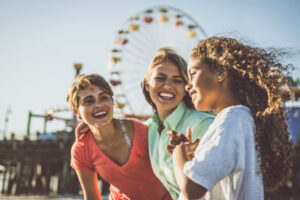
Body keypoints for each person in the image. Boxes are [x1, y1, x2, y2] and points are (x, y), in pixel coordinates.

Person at [168, 37, 294, 200]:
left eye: (192, 74)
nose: (187, 85)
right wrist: (192, 156)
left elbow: (191, 188)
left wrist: (179, 153)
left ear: (220, 73)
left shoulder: (233, 118)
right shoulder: (238, 120)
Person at [66, 74, 172, 200]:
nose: (98, 105)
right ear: (76, 111)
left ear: (112, 101)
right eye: (89, 101)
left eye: (104, 97)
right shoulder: (81, 149)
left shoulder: (142, 133)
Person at [141, 48, 215, 199]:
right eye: (160, 78)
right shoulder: (148, 129)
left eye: (177, 80)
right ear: (147, 84)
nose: (168, 86)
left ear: (186, 88)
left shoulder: (204, 125)